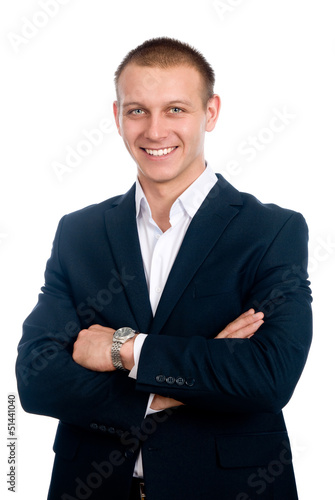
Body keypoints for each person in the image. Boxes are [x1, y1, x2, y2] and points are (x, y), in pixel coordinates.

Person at [16, 37, 312, 500]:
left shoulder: (271, 231)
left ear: (210, 112)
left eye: (175, 109)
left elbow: (268, 377)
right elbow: (37, 380)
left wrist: (125, 350)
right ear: (116, 117)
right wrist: (193, 378)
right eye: (137, 110)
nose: (155, 131)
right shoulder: (79, 232)